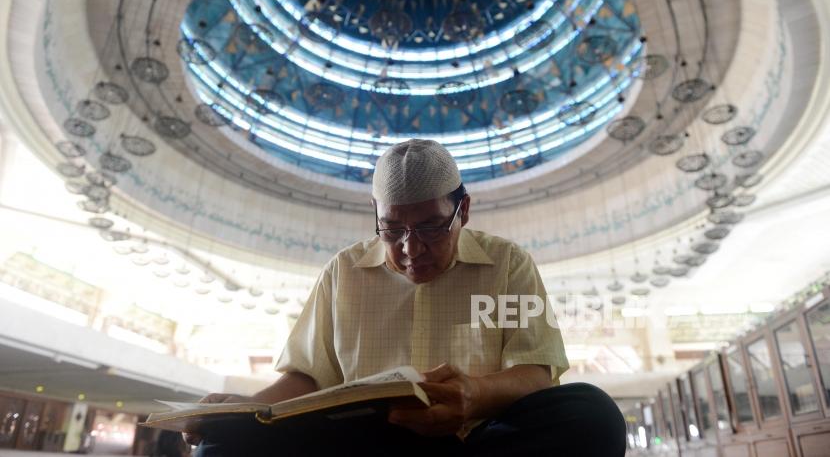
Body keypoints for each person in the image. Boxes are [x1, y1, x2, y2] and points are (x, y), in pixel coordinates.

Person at [187, 139, 626, 456]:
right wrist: (247, 409)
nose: (410, 248)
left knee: (591, 414)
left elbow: (536, 374)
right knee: (221, 443)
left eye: (432, 227)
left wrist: (472, 395)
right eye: (392, 230)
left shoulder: (507, 264)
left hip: (476, 440)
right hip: (364, 445)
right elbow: (307, 379)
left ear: (464, 211)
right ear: (376, 217)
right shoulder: (343, 272)